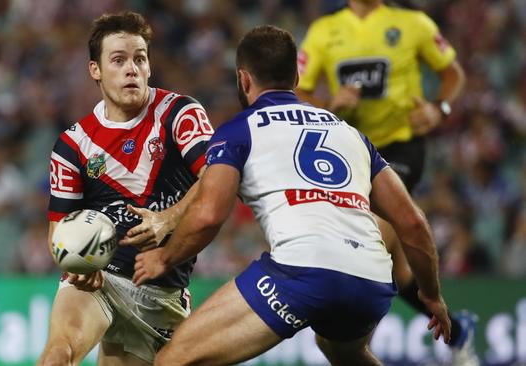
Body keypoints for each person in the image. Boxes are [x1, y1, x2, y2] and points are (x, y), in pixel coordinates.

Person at [127, 25, 450, 366]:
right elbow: (412, 223)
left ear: (243, 80)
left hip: (301, 273)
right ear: (296, 77)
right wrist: (430, 295)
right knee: (343, 350)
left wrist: (164, 259)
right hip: (371, 280)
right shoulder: (351, 134)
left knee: (171, 361)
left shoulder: (239, 130)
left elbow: (208, 216)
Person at [295, 1, 479, 364]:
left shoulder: (413, 24)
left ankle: (352, 339)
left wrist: (438, 108)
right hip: (350, 152)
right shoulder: (323, 33)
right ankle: (457, 331)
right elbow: (298, 91)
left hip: (401, 147)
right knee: (398, 269)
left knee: (372, 229)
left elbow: (452, 73)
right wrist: (330, 104)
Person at [39, 11, 213, 366]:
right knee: (58, 355)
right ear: (96, 70)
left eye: (139, 59)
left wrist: (168, 218)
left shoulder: (179, 113)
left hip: (161, 294)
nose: (131, 69)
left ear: (149, 66)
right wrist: (77, 265)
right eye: (118, 60)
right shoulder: (74, 145)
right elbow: (58, 231)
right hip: (101, 280)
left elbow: (217, 175)